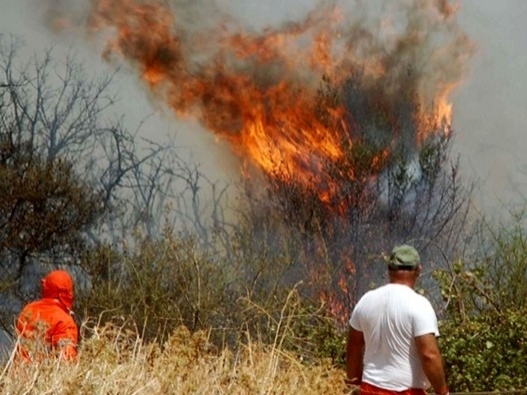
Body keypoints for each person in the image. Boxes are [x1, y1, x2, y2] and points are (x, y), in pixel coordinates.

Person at [346, 244, 448, 395]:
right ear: (418, 270)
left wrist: (354, 384)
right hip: (405, 391)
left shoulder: (366, 300)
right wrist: (442, 392)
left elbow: (353, 346)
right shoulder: (420, 305)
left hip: (369, 389)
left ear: (389, 270)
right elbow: (429, 355)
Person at [16, 269, 78, 361]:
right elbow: (67, 360)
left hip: (18, 372)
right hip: (43, 374)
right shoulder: (64, 321)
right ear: (67, 294)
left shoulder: (28, 310)